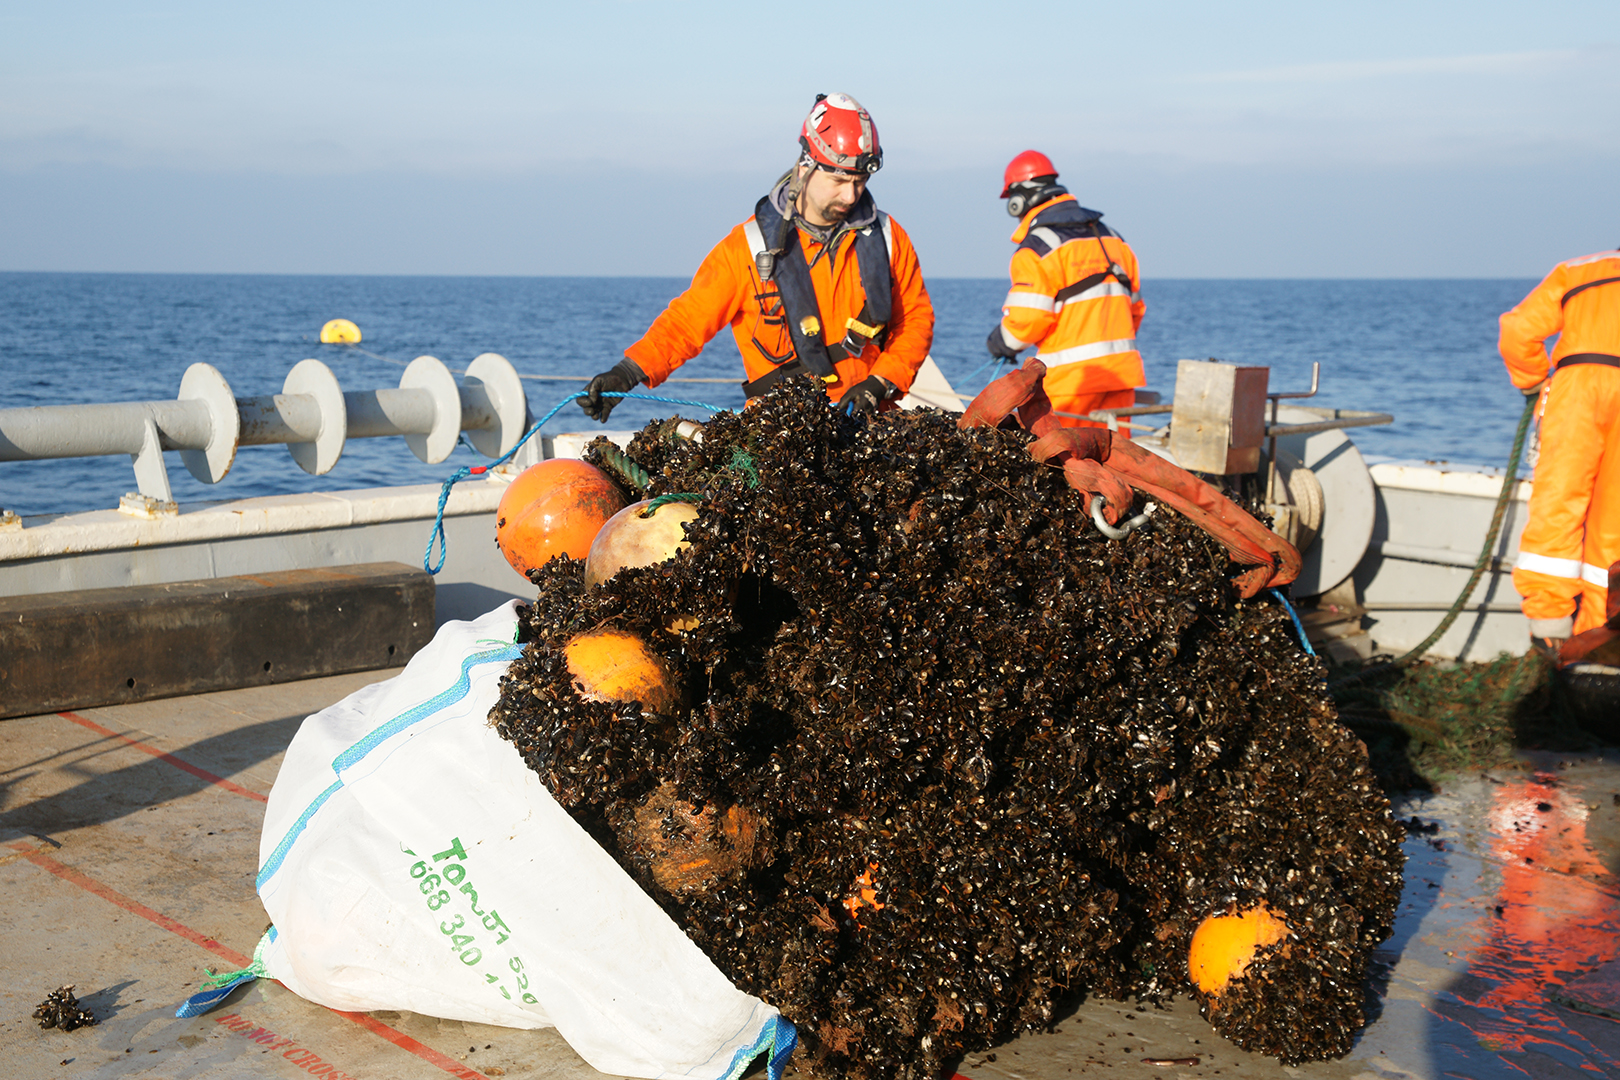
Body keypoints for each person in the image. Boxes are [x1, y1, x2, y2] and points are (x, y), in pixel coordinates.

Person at [580, 93, 935, 423]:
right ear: (806, 166)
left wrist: (880, 383)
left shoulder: (889, 238)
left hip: (870, 420)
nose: (851, 194)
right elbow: (687, 322)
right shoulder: (746, 249)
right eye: (840, 180)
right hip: (780, 432)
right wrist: (626, 374)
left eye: (860, 181)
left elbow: (916, 321)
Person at [1499, 246, 1620, 653]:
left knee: (1557, 505)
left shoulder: (1578, 270)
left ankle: (1549, 631)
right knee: (1614, 526)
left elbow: (1519, 331)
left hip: (1577, 391)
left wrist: (1531, 380)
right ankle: (1599, 635)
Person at [986, 150, 1145, 430]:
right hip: (1121, 378)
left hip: (1070, 383)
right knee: (1115, 464)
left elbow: (1027, 321)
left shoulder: (1037, 249)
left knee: (1063, 467)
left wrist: (1001, 342)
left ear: (1018, 200)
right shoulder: (1113, 239)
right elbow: (1135, 311)